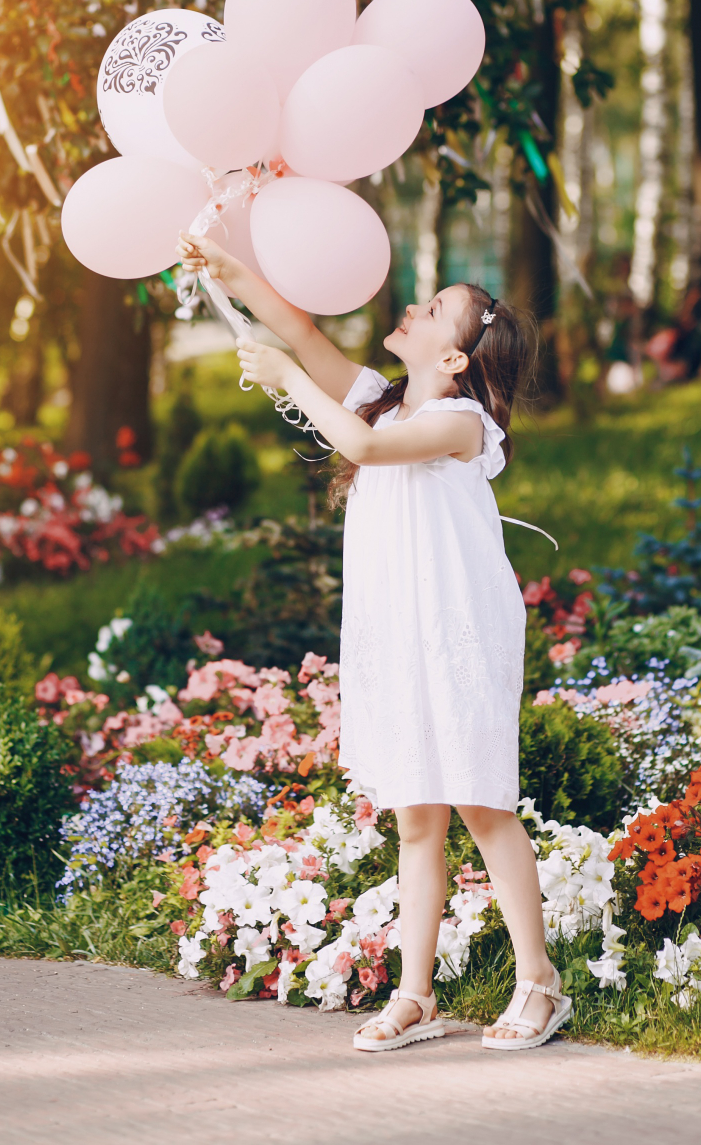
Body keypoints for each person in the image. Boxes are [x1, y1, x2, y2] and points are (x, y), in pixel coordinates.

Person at [177, 231, 572, 1055]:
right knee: (416, 817)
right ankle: (417, 995)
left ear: (458, 359)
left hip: (457, 631)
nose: (411, 308)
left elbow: (356, 445)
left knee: (482, 806)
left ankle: (540, 982)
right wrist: (232, 270)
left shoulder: (461, 423)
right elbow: (306, 334)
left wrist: (286, 378)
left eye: (433, 310)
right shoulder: (381, 397)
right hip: (397, 631)